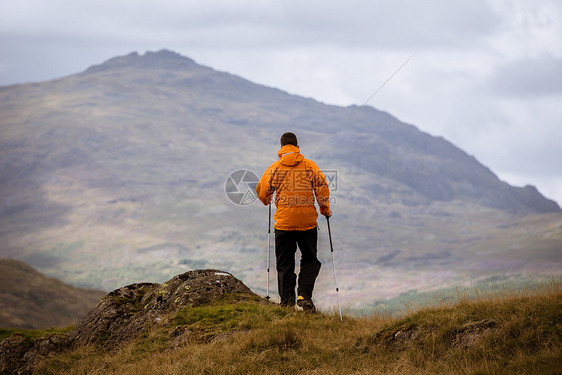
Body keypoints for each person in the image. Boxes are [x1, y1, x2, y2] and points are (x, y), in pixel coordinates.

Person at [256, 132, 332, 312]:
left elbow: (262, 191)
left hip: (283, 225)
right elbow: (322, 187)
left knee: (284, 264)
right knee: (310, 260)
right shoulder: (309, 166)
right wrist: (325, 210)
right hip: (307, 224)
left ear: (281, 148)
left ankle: (287, 305)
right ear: (297, 147)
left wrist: (267, 199)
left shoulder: (274, 168)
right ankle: (304, 295)